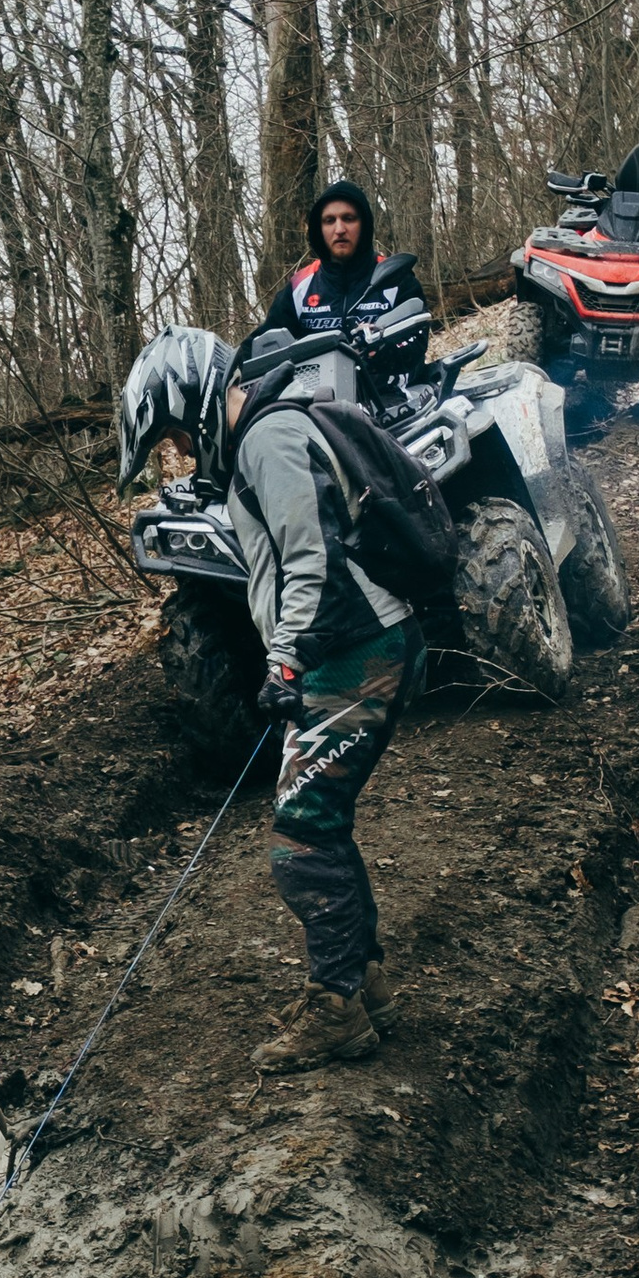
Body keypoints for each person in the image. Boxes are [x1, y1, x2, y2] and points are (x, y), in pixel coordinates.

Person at [223, 324, 426, 1066]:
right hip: (350, 648)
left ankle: (335, 1005)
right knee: (320, 820)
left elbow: (311, 555)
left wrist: (281, 661)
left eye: (177, 435)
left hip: (356, 650)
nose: (179, 453)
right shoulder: (271, 431)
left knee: (300, 835)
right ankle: (366, 985)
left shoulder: (266, 438)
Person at [258, 176, 424, 374]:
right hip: (315, 400)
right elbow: (262, 347)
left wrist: (379, 350)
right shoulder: (299, 287)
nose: (339, 229)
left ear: (364, 224)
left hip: (388, 397)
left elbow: (416, 347)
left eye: (348, 218)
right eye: (329, 221)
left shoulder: (395, 279)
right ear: (319, 229)